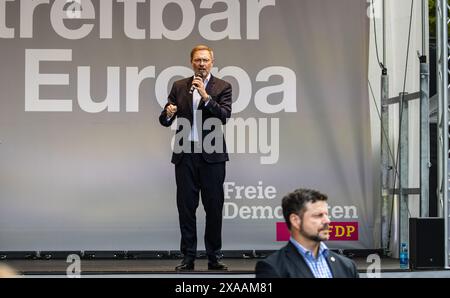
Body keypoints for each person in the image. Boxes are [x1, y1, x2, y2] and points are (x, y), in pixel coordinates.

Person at [159, 45, 232, 271]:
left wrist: (206, 96)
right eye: (198, 60)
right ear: (191, 62)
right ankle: (188, 257)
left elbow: (224, 115)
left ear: (212, 61)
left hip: (212, 156)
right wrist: (168, 114)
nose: (202, 64)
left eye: (206, 60)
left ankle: (214, 257)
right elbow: (164, 119)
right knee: (186, 208)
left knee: (213, 207)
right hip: (185, 155)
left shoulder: (223, 86)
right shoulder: (179, 86)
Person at [255, 188, 359, 278]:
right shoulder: (273, 268)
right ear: (295, 220)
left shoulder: (347, 266)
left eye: (326, 214)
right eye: (318, 215)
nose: (327, 221)